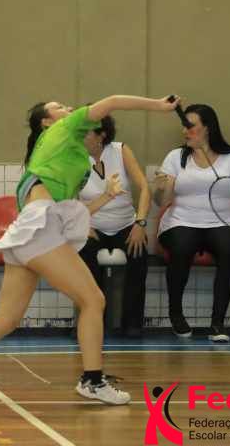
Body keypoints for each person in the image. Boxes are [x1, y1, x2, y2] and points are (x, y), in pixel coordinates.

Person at [0, 94, 180, 404]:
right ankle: (93, 381)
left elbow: (70, 210)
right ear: (47, 121)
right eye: (58, 107)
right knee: (93, 300)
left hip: (27, 233)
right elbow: (112, 101)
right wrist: (160, 106)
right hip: (40, 230)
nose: (67, 108)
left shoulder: (61, 153)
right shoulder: (62, 129)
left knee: (7, 318)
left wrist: (107, 196)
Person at [153, 104, 230, 342]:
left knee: (227, 248)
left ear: (208, 128)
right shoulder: (175, 157)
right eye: (184, 126)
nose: (185, 131)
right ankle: (176, 314)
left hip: (223, 222)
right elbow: (162, 202)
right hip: (180, 221)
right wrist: (162, 188)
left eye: (190, 126)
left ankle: (217, 323)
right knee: (182, 245)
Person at [78, 115, 150, 337]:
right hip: (92, 224)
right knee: (84, 257)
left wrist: (140, 223)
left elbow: (144, 188)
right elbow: (68, 198)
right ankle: (90, 322)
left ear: (101, 135)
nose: (80, 136)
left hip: (125, 222)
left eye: (85, 132)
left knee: (138, 254)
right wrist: (81, 224)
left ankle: (133, 324)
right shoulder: (74, 157)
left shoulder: (120, 150)